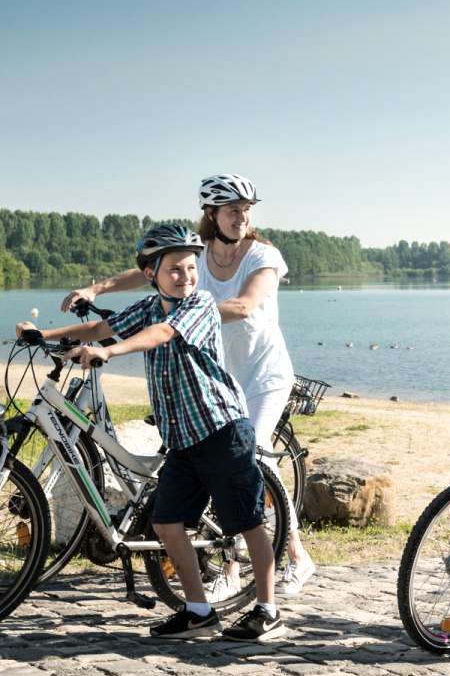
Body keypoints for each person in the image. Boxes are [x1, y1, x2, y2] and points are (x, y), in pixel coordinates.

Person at [22, 222, 284, 642]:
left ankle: (268, 610)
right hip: (182, 439)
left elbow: (158, 335)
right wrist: (44, 335)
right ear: (152, 275)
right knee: (166, 523)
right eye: (175, 270)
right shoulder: (148, 307)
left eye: (190, 268)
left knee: (248, 521)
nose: (186, 277)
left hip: (221, 431)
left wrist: (108, 352)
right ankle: (199, 612)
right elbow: (100, 328)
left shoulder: (197, 305)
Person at [66, 174, 318, 598]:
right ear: (212, 214)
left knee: (251, 459)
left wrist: (178, 319)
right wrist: (98, 287)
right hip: (220, 375)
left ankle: (293, 557)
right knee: (219, 472)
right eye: (233, 210)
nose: (243, 216)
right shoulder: (196, 257)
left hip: (264, 375)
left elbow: (242, 305)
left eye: (247, 209)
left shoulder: (263, 255)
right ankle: (236, 570)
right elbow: (155, 266)